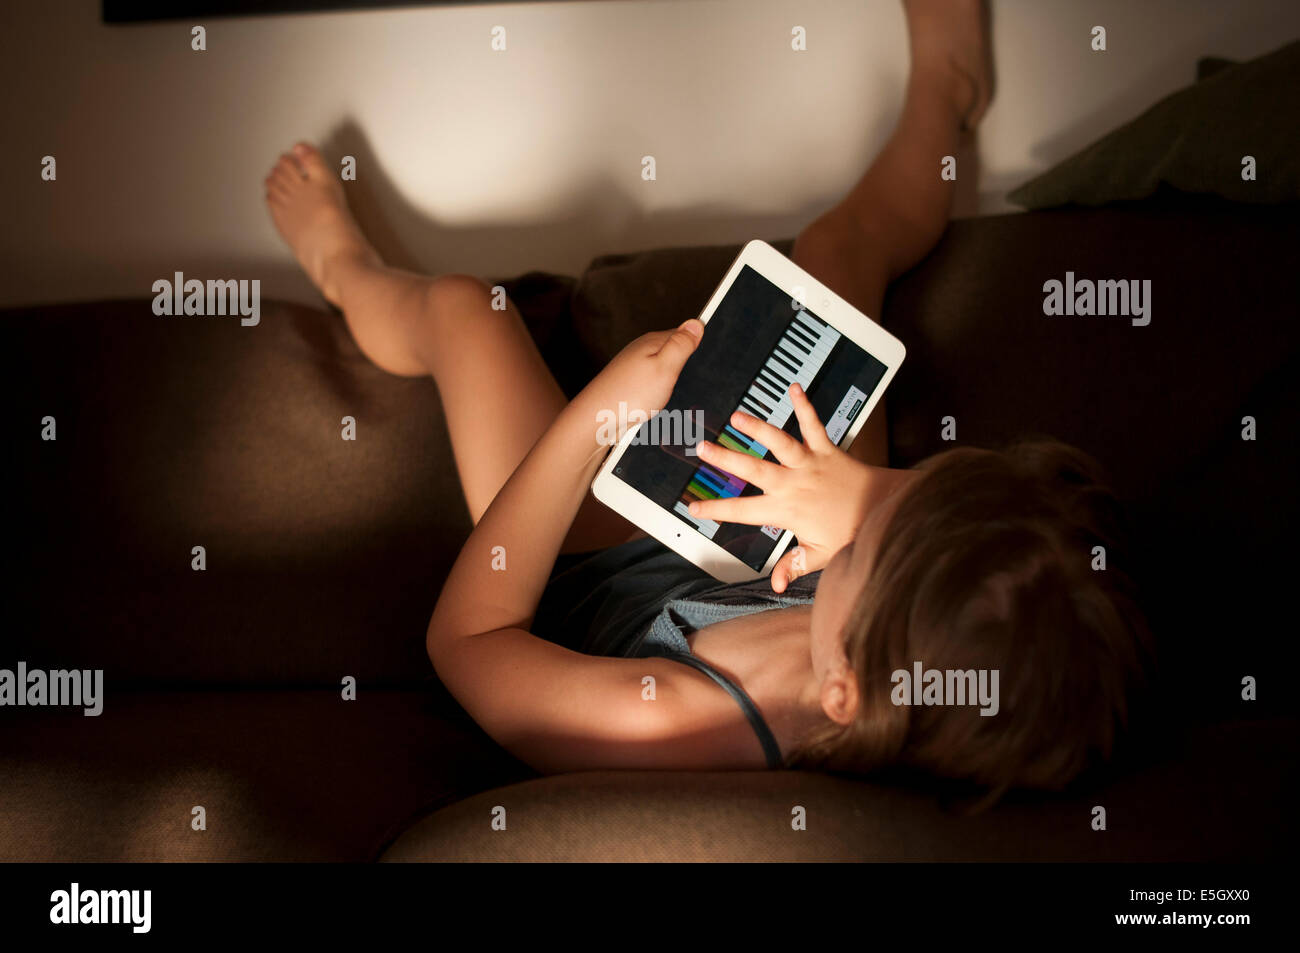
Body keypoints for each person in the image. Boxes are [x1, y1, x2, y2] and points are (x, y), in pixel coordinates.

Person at [264, 0, 1150, 802]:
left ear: (842, 685)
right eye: (903, 496)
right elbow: (934, 522)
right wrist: (851, 501)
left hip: (569, 570)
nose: (879, 497)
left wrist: (596, 421)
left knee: (467, 312)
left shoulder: (672, 715)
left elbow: (466, 640)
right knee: (834, 255)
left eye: (864, 541)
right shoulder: (902, 634)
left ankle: (349, 274)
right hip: (727, 523)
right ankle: (945, 97)